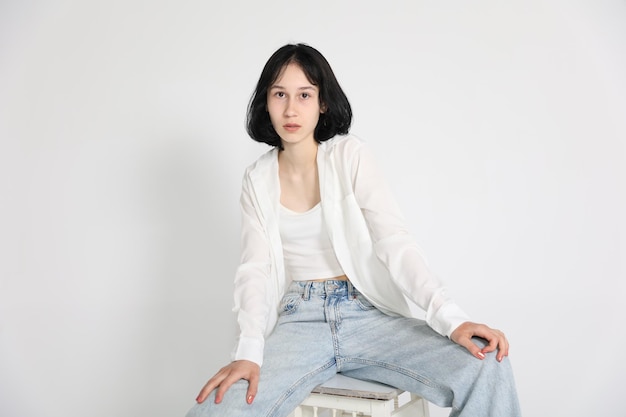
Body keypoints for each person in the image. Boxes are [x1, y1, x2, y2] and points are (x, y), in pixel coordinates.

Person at [186, 43, 521, 417]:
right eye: (279, 94)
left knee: (487, 367)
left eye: (304, 95)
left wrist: (451, 319)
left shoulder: (350, 156)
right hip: (301, 322)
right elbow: (254, 270)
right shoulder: (256, 179)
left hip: (367, 314)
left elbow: (394, 242)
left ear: (322, 103)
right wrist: (248, 353)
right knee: (216, 410)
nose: (291, 109)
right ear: (266, 101)